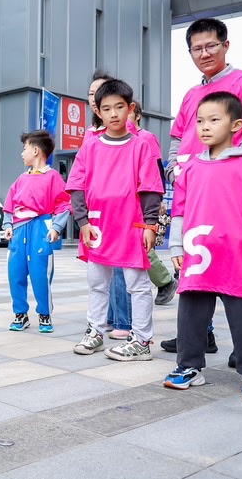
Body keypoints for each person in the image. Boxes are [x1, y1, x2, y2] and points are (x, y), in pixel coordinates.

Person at [161, 17, 242, 358]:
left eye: (211, 45)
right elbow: (178, 137)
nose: (204, 53)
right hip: (193, 193)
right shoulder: (191, 95)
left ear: (226, 45)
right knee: (194, 267)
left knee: (241, 273)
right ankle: (196, 336)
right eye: (196, 48)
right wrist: (173, 169)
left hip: (230, 195)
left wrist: (223, 170)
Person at [164, 91, 242, 402]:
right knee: (191, 313)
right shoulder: (191, 169)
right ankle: (188, 367)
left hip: (238, 255)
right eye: (199, 121)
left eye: (214, 120)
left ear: (237, 125)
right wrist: (176, 247)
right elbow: (180, 211)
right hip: (198, 254)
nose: (204, 127)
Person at [66, 79, 163, 361]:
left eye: (119, 107)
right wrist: (82, 223)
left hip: (131, 225)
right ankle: (95, 331)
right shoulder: (90, 146)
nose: (113, 114)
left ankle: (142, 340)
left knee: (138, 284)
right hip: (97, 226)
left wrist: (150, 224)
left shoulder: (142, 143)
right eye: (106, 108)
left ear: (130, 108)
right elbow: (77, 186)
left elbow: (151, 187)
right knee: (97, 282)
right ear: (98, 111)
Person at [3, 130, 70, 333]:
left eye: (24, 149)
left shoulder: (53, 177)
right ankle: (20, 314)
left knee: (40, 273)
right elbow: (9, 204)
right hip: (19, 230)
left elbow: (64, 204)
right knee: (15, 272)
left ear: (35, 150)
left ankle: (44, 314)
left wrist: (57, 227)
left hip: (41, 227)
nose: (22, 154)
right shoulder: (21, 179)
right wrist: (8, 225)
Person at [85, 71, 134, 341]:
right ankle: (103, 322)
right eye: (91, 95)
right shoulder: (90, 135)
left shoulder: (131, 135)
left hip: (123, 214)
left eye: (99, 92)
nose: (95, 99)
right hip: (97, 215)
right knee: (100, 274)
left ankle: (127, 324)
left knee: (123, 272)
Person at [129, 101, 179, 306]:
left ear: (137, 115)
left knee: (141, 244)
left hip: (143, 200)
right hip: (126, 201)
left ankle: (165, 280)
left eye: (128, 112)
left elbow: (157, 169)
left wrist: (157, 200)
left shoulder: (146, 138)